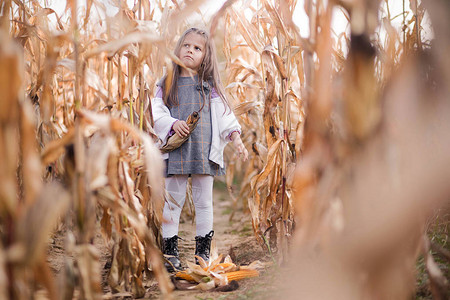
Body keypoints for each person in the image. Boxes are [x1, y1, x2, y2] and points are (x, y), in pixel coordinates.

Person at [151, 27, 248, 271]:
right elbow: (156, 111)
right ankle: (170, 252)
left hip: (203, 150)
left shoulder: (208, 85)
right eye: (186, 45)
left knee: (204, 202)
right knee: (173, 201)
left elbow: (224, 115)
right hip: (176, 149)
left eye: (197, 48)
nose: (190, 51)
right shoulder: (166, 83)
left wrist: (236, 138)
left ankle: (202, 253)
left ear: (205, 56)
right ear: (178, 48)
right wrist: (173, 124)